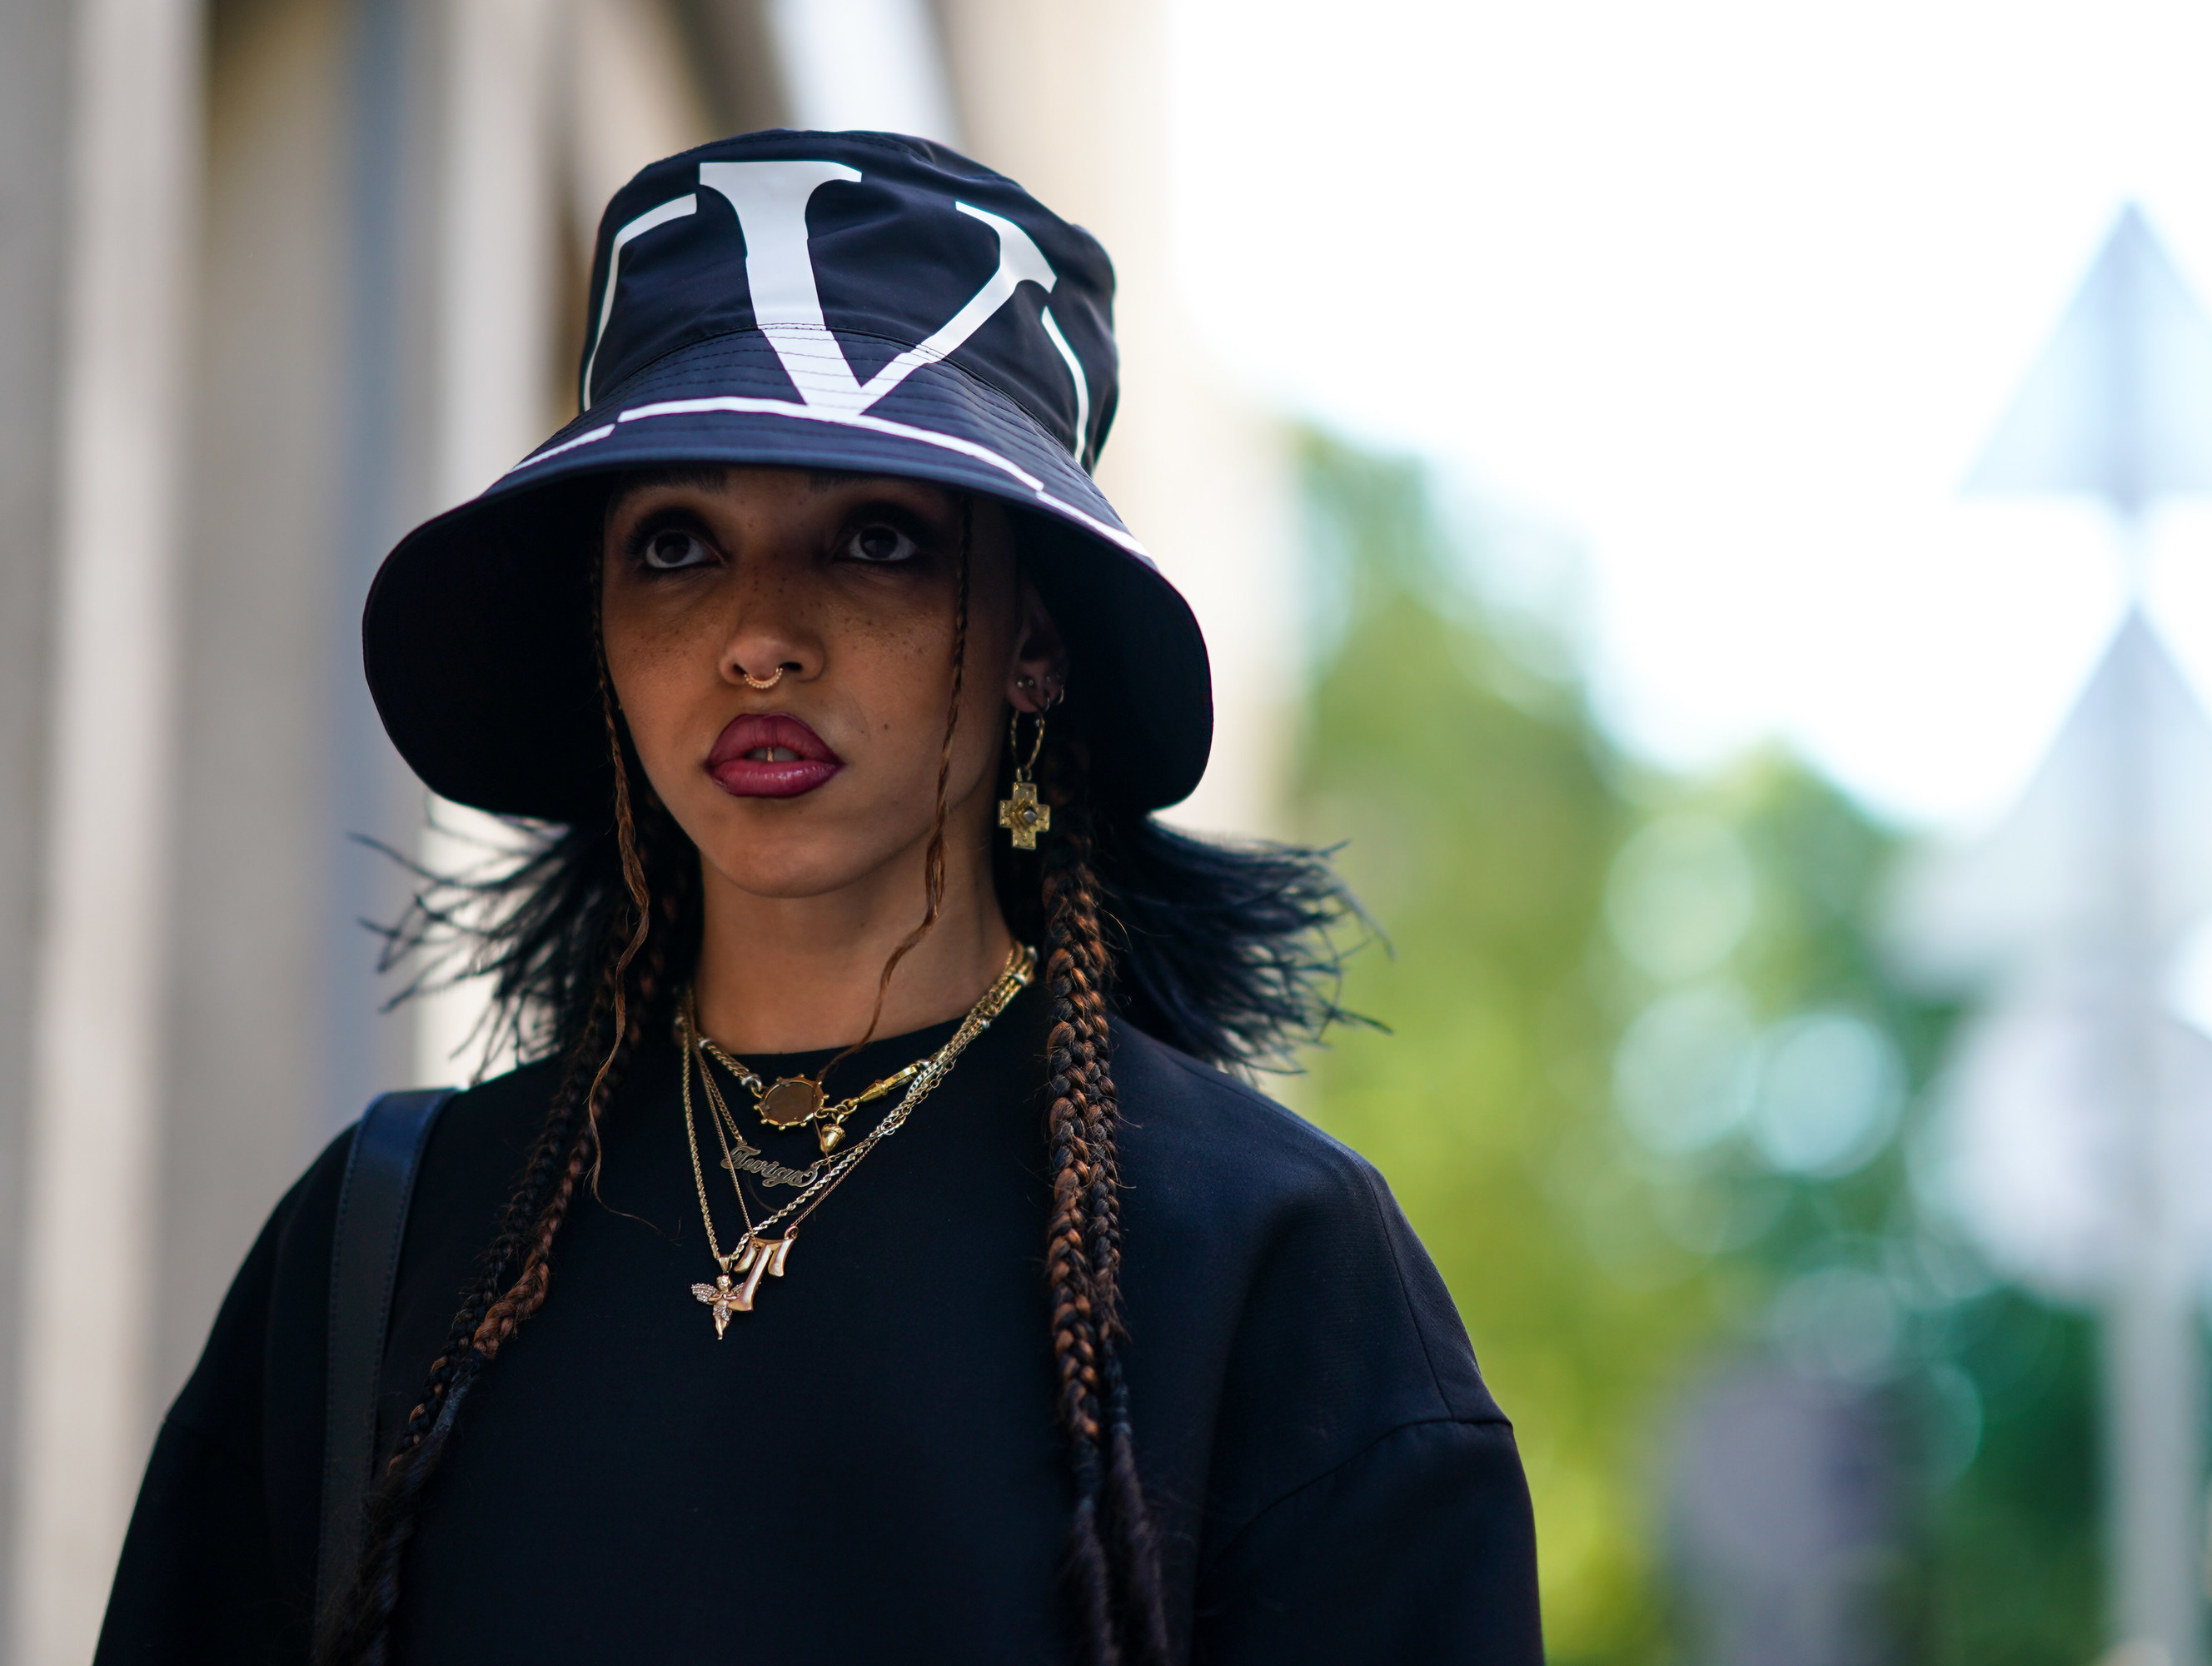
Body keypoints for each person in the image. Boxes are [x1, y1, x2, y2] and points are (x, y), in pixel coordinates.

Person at [95, 129, 1540, 1665]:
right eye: (674, 545)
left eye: (876, 539)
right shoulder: (379, 1255)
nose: (758, 637)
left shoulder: (1271, 1273)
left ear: (1037, 642)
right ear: (599, 634)